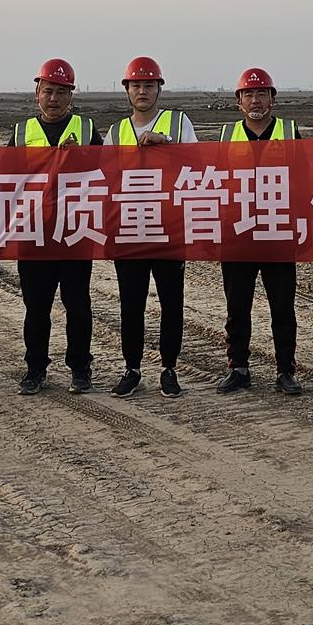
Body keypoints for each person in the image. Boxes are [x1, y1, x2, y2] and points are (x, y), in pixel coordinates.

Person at [8, 57, 101, 396]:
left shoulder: (87, 130)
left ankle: (80, 368)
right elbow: (4, 178)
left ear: (71, 96)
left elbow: (106, 173)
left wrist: (82, 157)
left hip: (74, 231)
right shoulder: (21, 132)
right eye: (48, 91)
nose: (54, 98)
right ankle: (35, 368)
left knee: (78, 306)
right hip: (33, 233)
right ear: (37, 94)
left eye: (62, 92)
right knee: (36, 308)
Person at [109, 55, 197, 399]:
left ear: (159, 88)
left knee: (172, 302)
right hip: (130, 228)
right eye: (136, 85)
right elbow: (105, 177)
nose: (142, 91)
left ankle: (169, 368)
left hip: (169, 228)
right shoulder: (116, 132)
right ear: (127, 90)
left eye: (149, 85)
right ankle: (132, 368)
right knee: (131, 304)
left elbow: (197, 164)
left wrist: (166, 144)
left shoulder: (178, 123)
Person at [217, 67, 303, 397]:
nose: (255, 100)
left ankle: (285, 370)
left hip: (278, 233)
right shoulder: (227, 135)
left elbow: (305, 180)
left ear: (273, 100)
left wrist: (304, 226)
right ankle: (238, 368)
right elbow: (216, 182)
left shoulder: (289, 132)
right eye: (248, 94)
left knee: (283, 308)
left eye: (262, 94)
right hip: (238, 235)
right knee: (237, 307)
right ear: (238, 101)